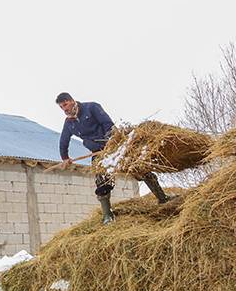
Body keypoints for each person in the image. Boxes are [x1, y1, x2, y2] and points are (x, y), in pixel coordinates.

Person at [56, 92, 170, 224]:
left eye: (65, 104)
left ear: (72, 101)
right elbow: (63, 141)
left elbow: (107, 124)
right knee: (101, 182)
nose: (64, 109)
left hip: (114, 145)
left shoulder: (91, 107)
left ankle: (163, 198)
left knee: (141, 169)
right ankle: (107, 215)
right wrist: (65, 157)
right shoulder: (69, 124)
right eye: (61, 107)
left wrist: (110, 142)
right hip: (97, 153)